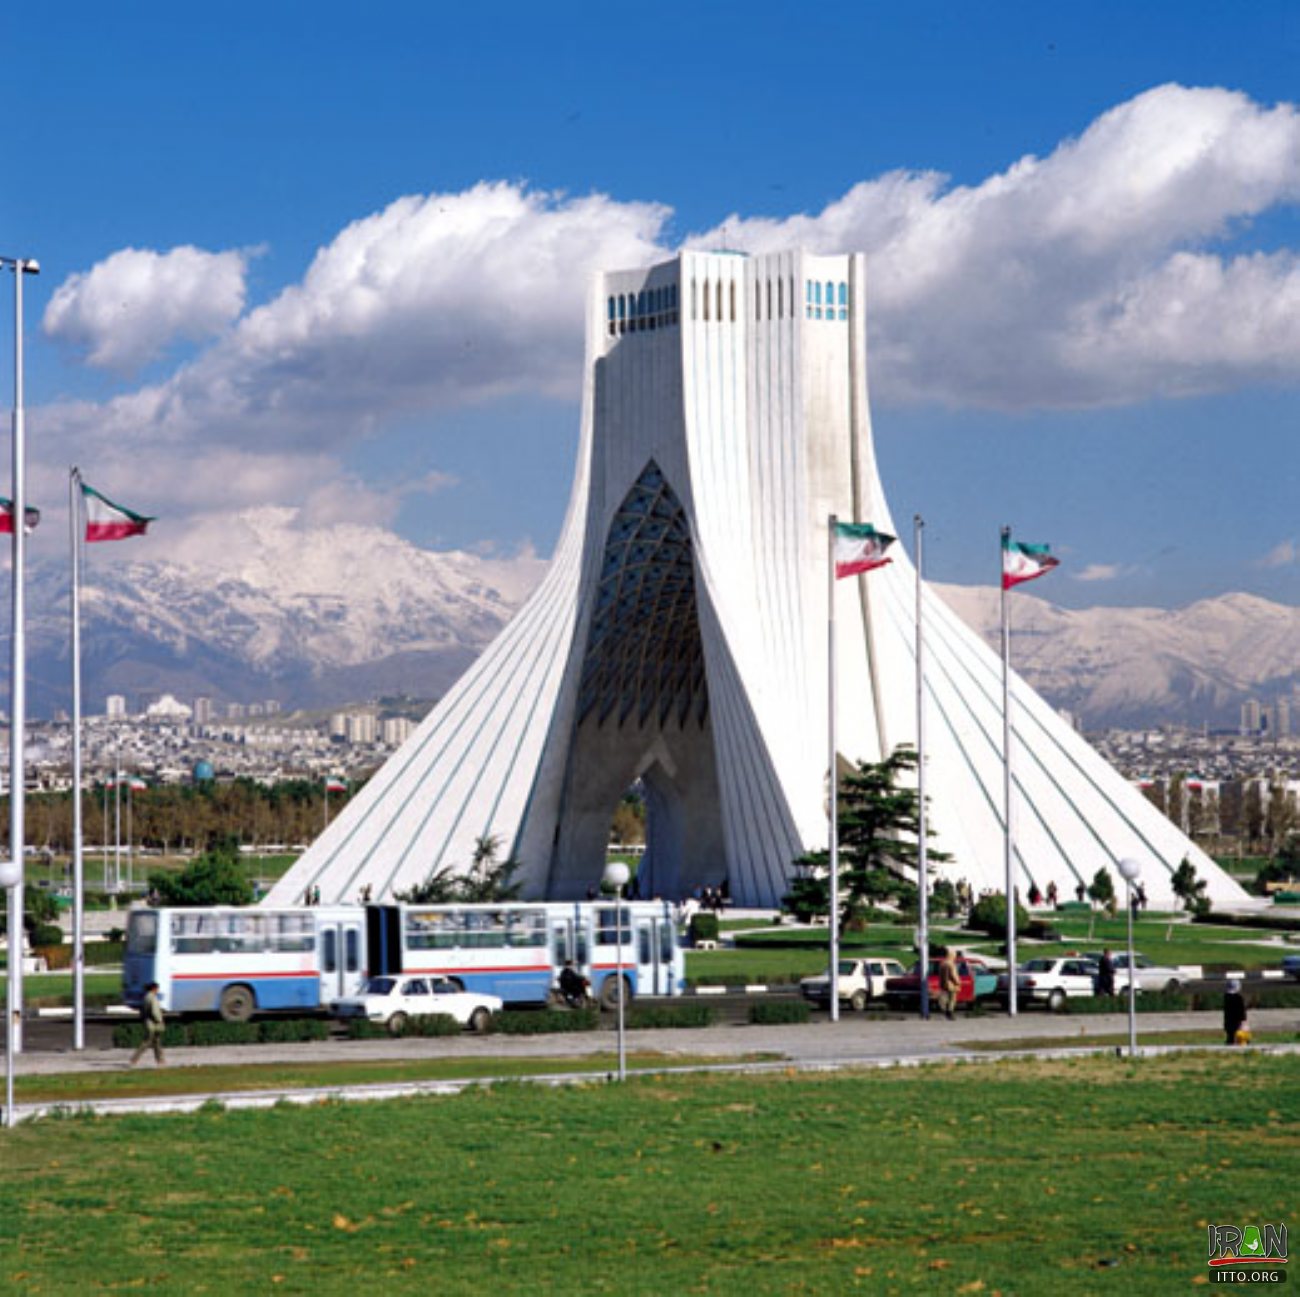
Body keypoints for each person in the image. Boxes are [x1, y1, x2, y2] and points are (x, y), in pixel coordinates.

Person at [130, 981, 167, 1067]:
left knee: (156, 1042)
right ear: (154, 988)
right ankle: (134, 1059)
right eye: (157, 988)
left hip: (148, 1022)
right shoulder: (152, 998)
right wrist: (159, 1020)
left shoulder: (146, 997)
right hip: (153, 1024)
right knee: (147, 1042)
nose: (158, 990)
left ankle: (160, 1061)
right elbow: (154, 1011)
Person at [938, 948, 961, 1021]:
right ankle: (950, 1013)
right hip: (951, 985)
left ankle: (944, 1011)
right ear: (951, 956)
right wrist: (958, 982)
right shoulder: (951, 964)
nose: (955, 957)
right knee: (952, 999)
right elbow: (953, 975)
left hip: (943, 984)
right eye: (954, 956)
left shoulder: (942, 963)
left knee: (944, 998)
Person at [1223, 978, 1247, 1045]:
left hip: (1229, 1021)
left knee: (1231, 1035)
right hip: (1236, 1021)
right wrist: (1244, 1020)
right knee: (1238, 1035)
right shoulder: (1239, 998)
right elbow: (1242, 1011)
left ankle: (1231, 1041)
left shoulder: (1227, 997)